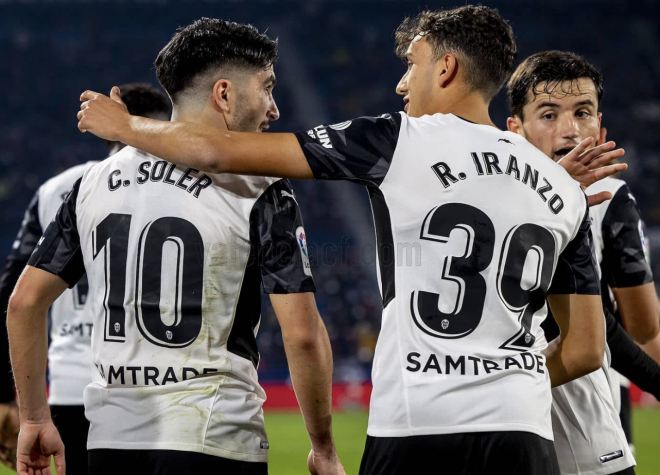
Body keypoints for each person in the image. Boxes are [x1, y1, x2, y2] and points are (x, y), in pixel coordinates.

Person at [76, 7, 630, 475]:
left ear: (446, 67)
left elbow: (220, 152)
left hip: (415, 425)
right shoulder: (563, 186)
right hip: (522, 429)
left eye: (410, 66)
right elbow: (584, 348)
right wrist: (511, 380)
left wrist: (125, 128)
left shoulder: (394, 140)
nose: (399, 84)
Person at [8, 19, 344, 475]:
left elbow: (24, 303)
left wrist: (32, 417)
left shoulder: (92, 182)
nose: (275, 109)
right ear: (224, 94)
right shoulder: (258, 184)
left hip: (108, 440)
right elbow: (302, 335)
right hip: (215, 433)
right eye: (267, 88)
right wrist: (322, 445)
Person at [0, 83, 170, 474]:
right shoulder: (187, 185)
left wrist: (8, 397)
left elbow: (13, 294)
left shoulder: (57, 190)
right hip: (159, 386)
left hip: (70, 383)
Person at [507, 49, 660, 475]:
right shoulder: (607, 199)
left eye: (583, 112)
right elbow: (642, 326)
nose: (570, 130)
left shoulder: (482, 190)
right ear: (515, 130)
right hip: (571, 410)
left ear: (600, 126)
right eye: (550, 114)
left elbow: (636, 331)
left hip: (504, 405)